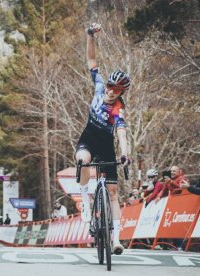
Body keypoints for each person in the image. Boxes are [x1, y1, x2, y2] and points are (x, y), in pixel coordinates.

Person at [75, 23, 131, 256]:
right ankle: (86, 203)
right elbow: (91, 61)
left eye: (116, 89)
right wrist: (90, 36)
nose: (110, 91)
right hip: (89, 138)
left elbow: (121, 133)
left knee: (113, 193)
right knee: (82, 161)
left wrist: (125, 154)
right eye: (110, 85)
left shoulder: (118, 110)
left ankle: (116, 239)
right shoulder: (99, 86)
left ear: (121, 93)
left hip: (107, 145)